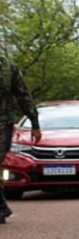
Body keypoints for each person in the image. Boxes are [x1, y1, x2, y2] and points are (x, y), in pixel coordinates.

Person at [0, 53, 41, 224]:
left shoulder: (9, 67)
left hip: (2, 124)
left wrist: (35, 122)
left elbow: (23, 95)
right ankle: (1, 208)